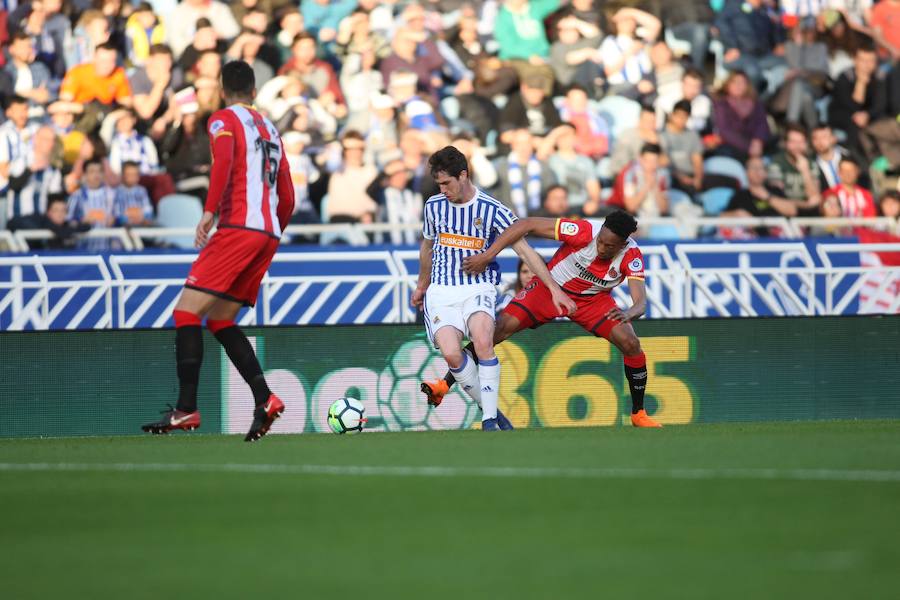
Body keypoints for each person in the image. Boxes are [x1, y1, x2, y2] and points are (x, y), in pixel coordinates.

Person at [141, 60, 294, 443]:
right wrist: (270, 232)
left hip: (239, 227)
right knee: (221, 320)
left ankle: (186, 409)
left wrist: (210, 212)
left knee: (186, 312)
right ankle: (265, 398)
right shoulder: (272, 129)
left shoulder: (222, 119)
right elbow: (287, 195)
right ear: (255, 93)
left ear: (224, 91)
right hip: (267, 232)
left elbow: (224, 162)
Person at [422, 210, 663, 428]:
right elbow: (525, 224)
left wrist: (629, 313)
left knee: (631, 344)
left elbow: (640, 302)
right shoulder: (583, 230)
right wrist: (489, 254)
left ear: (622, 244)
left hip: (593, 302)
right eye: (601, 241)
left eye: (609, 246)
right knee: (499, 329)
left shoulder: (631, 255)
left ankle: (638, 414)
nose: (601, 248)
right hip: (549, 290)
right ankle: (443, 385)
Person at [410, 145, 575, 430]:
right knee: (452, 354)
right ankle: (496, 415)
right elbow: (427, 247)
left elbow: (525, 251)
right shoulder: (433, 206)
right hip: (441, 290)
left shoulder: (491, 209)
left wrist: (554, 289)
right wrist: (421, 284)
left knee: (484, 342)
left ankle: (487, 421)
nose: (443, 190)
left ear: (463, 175)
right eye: (439, 184)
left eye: (447, 183)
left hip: (478, 287)